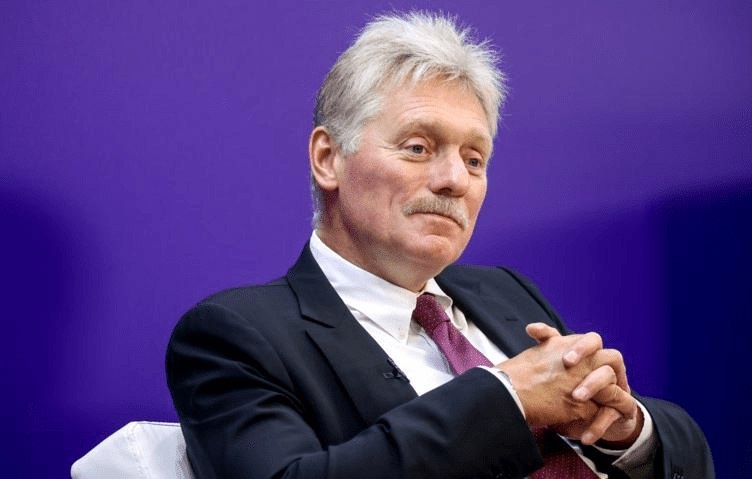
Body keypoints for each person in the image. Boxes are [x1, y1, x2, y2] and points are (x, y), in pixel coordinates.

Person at [166, 12, 713, 479]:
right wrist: (508, 397)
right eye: (418, 147)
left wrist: (627, 431)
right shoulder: (236, 336)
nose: (454, 180)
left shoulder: (504, 291)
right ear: (328, 159)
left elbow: (689, 453)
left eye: (475, 159)